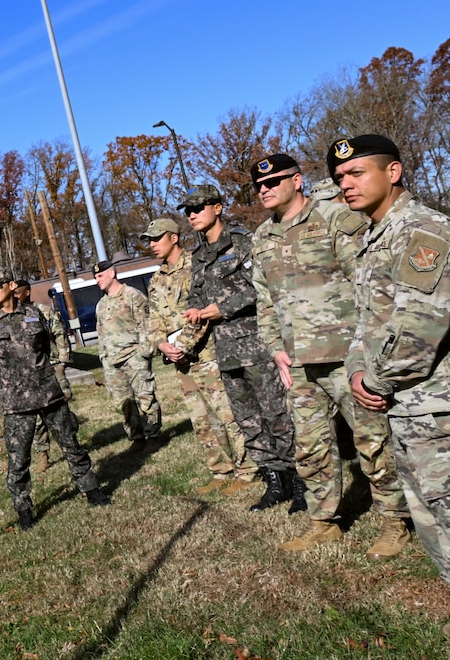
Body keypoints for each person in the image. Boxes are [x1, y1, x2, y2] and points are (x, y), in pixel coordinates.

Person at [249, 152, 410, 556]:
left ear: (298, 181)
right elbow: (264, 301)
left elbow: (370, 284)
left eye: (273, 182)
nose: (264, 190)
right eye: (259, 186)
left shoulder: (335, 220)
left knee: (373, 443)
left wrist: (368, 350)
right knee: (312, 446)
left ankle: (396, 521)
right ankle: (324, 522)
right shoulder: (261, 238)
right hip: (299, 364)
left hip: (347, 357)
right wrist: (276, 350)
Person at [334, 134, 450, 583]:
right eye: (340, 176)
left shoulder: (425, 231)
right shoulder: (373, 239)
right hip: (405, 407)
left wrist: (375, 381)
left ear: (393, 172)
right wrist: (356, 369)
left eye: (356, 172)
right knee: (429, 521)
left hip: (435, 408)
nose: (345, 183)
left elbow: (419, 327)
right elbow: (366, 323)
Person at [181, 184, 298, 512]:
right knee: (248, 418)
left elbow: (262, 287)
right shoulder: (199, 255)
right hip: (227, 350)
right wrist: (195, 309)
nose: (191, 215)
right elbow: (196, 294)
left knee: (278, 414)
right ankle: (275, 480)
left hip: (259, 344)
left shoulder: (243, 241)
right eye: (187, 210)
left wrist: (223, 307)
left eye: (198, 207)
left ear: (217, 207)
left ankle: (302, 479)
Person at [0, 265, 110, 530]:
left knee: (70, 443)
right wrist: (9, 382)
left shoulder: (34, 314)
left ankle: (91, 489)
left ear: (11, 286)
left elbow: (45, 347)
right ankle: (24, 509)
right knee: (19, 459)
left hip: (48, 392)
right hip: (16, 403)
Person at [142, 217, 256, 494]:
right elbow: (153, 318)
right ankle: (221, 469)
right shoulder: (157, 279)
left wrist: (183, 346)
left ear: (174, 237)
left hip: (206, 354)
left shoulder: (197, 265)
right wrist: (160, 344)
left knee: (228, 414)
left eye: (158, 238)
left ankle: (248, 469)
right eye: (150, 240)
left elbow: (202, 310)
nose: (153, 245)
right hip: (180, 361)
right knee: (201, 419)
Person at [94, 260, 162, 450]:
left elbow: (146, 325)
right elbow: (101, 333)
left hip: (134, 357)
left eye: (100, 276)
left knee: (145, 397)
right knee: (123, 403)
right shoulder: (101, 304)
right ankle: (136, 438)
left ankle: (153, 435)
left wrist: (143, 353)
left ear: (111, 273)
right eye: (95, 277)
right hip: (112, 363)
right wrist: (104, 357)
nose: (97, 280)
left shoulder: (133, 296)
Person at [14, 278, 73, 474]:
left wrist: (63, 361)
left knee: (62, 407)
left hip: (52, 366)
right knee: (38, 418)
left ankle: (71, 443)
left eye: (18, 291)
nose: (15, 295)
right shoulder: (12, 317)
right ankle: (43, 456)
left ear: (27, 292)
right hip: (30, 374)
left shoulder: (44, 311)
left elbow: (59, 334)